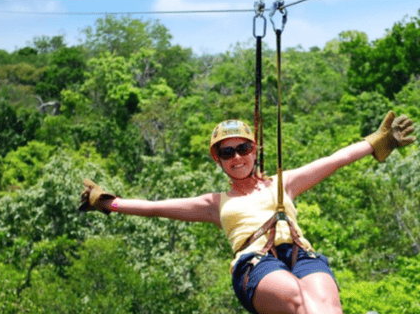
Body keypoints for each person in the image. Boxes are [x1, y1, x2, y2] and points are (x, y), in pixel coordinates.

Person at [79, 111, 415, 314]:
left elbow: (335, 159)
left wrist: (378, 141)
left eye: (244, 148)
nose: (237, 157)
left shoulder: (284, 182)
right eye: (228, 152)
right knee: (296, 299)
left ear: (255, 151)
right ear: (219, 159)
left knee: (327, 305)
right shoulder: (215, 202)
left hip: (300, 252)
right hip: (256, 263)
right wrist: (108, 202)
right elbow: (154, 209)